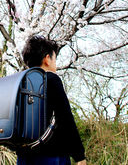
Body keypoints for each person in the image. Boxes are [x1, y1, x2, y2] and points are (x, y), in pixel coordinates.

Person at [17, 35, 87, 165]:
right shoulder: (50, 79)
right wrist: (79, 155)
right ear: (47, 59)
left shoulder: (20, 82)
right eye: (55, 59)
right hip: (52, 154)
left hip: (24, 154)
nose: (55, 63)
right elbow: (65, 118)